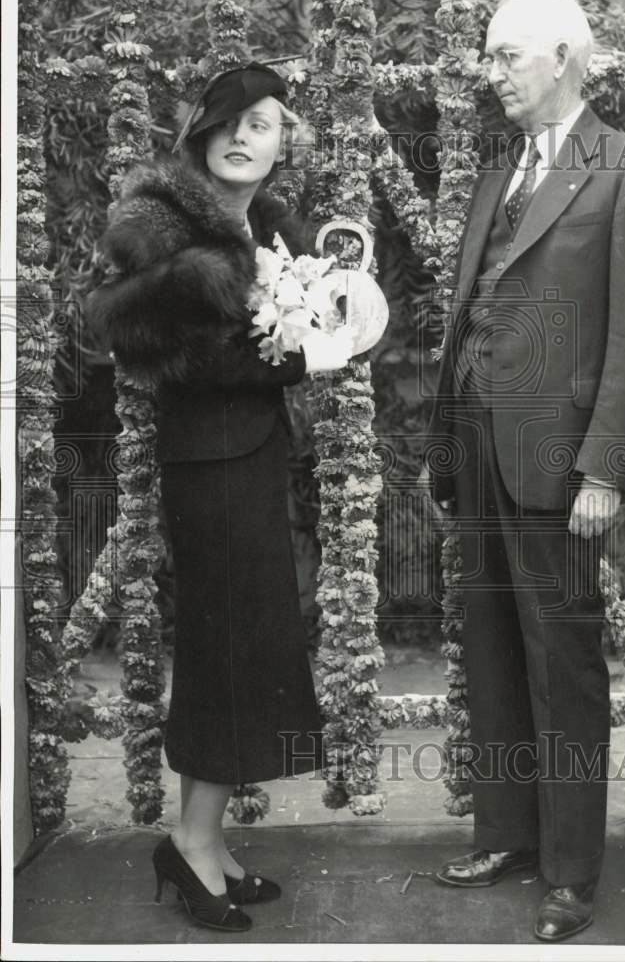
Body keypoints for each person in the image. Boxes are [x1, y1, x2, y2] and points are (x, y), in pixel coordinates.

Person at [425, 0, 625, 942]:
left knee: (564, 669)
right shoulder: (501, 173)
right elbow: (469, 314)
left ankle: (572, 872)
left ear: (569, 58)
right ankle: (510, 835)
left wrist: (607, 470)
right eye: (489, 56)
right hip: (483, 453)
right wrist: (447, 442)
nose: (490, 72)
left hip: (564, 465)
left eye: (506, 56)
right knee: (493, 656)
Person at [87, 62, 352, 933]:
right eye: (231, 122)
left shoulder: (274, 227)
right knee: (221, 649)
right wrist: (298, 359)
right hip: (207, 465)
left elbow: (322, 310)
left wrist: (329, 319)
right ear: (203, 132)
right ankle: (191, 842)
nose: (245, 137)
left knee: (248, 648)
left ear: (283, 144)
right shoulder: (160, 227)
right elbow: (172, 359)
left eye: (265, 124)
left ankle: (203, 840)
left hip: (256, 456)